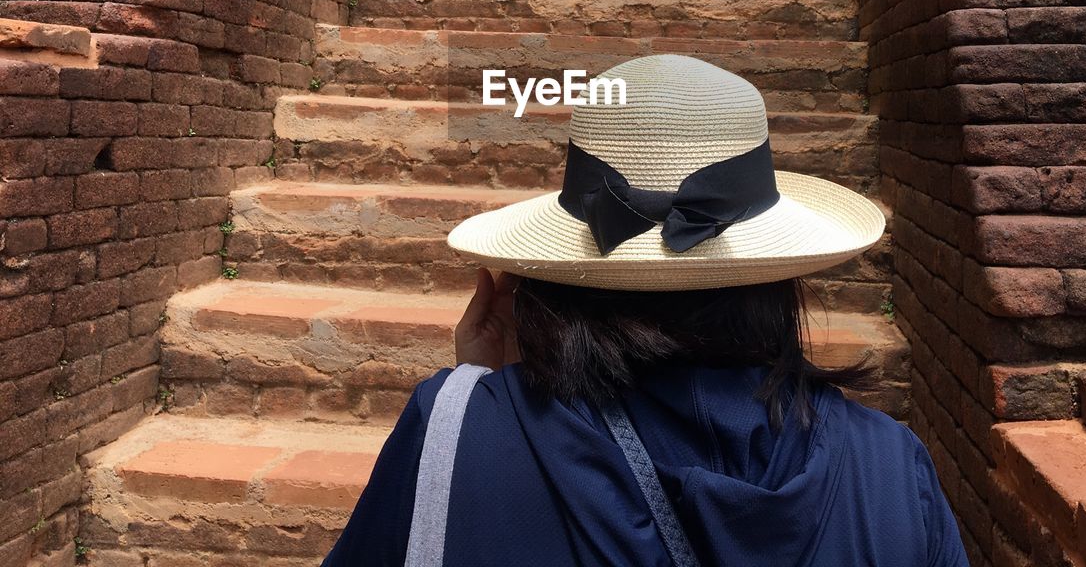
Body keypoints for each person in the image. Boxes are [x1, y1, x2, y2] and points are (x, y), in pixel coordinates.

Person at [322, 55, 969, 567]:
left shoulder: (457, 433)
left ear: (539, 281)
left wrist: (477, 400)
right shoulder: (892, 467)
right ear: (777, 275)